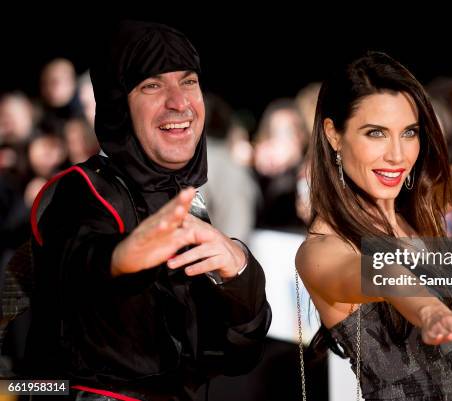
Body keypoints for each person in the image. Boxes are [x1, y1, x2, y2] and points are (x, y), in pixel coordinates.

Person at [24, 20, 271, 401]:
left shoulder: (185, 197)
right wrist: (119, 259)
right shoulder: (80, 189)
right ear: (117, 104)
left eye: (188, 81)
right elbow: (74, 262)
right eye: (152, 85)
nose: (179, 102)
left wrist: (240, 271)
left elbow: (236, 355)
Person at [296, 52, 452, 401]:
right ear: (334, 134)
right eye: (376, 133)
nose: (397, 155)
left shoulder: (417, 208)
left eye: (409, 133)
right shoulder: (321, 249)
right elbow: (386, 275)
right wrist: (431, 311)